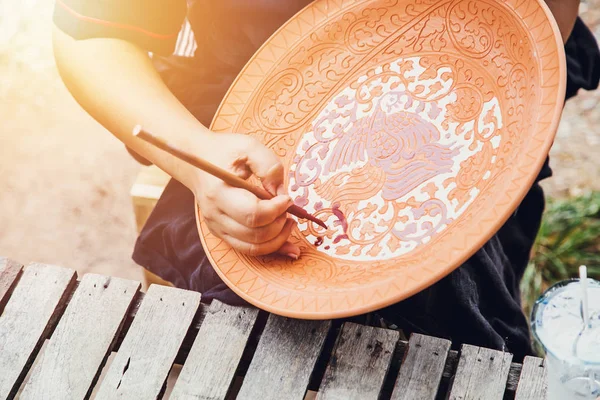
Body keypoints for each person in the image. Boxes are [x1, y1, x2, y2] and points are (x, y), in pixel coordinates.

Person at [52, 0, 599, 361]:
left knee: (458, 333)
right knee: (266, 342)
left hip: (466, 78)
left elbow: (542, 14)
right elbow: (89, 38)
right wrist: (201, 163)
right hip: (249, 104)